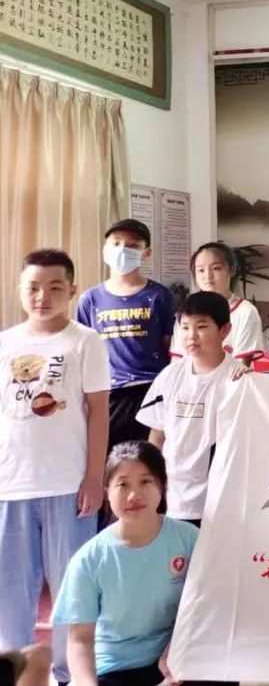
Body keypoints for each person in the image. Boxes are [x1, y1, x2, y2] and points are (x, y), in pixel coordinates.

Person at [0, 250, 110, 684]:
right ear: (20, 290)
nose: (42, 297)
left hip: (68, 483)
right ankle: (14, 669)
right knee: (10, 588)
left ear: (72, 291)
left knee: (71, 587)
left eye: (54, 287)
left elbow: (98, 413)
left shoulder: (86, 341)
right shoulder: (5, 343)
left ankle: (68, 673)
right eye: (32, 288)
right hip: (10, 484)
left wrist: (95, 478)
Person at [51, 442, 202, 686]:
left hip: (174, 658)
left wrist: (178, 648)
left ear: (162, 486)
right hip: (115, 668)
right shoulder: (89, 559)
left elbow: (209, 606)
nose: (134, 495)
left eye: (145, 482)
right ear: (107, 491)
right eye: (123, 485)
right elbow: (79, 640)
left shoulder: (189, 539)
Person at [138, 292, 246, 528]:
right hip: (172, 497)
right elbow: (157, 435)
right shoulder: (170, 375)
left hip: (218, 500)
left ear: (225, 330)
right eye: (185, 327)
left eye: (201, 326)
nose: (191, 336)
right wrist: (152, 480)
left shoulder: (238, 378)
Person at [77, 219, 175, 460]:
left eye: (132, 245)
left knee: (147, 462)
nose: (123, 250)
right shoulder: (90, 299)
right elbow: (82, 351)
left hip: (151, 391)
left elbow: (171, 348)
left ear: (146, 253)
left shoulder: (159, 296)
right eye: (116, 243)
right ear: (105, 250)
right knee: (109, 461)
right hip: (108, 393)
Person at [170, 242, 265, 365]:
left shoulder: (245, 312)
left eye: (216, 268)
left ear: (231, 270)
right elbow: (177, 362)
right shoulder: (186, 311)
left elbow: (240, 367)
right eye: (201, 270)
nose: (208, 276)